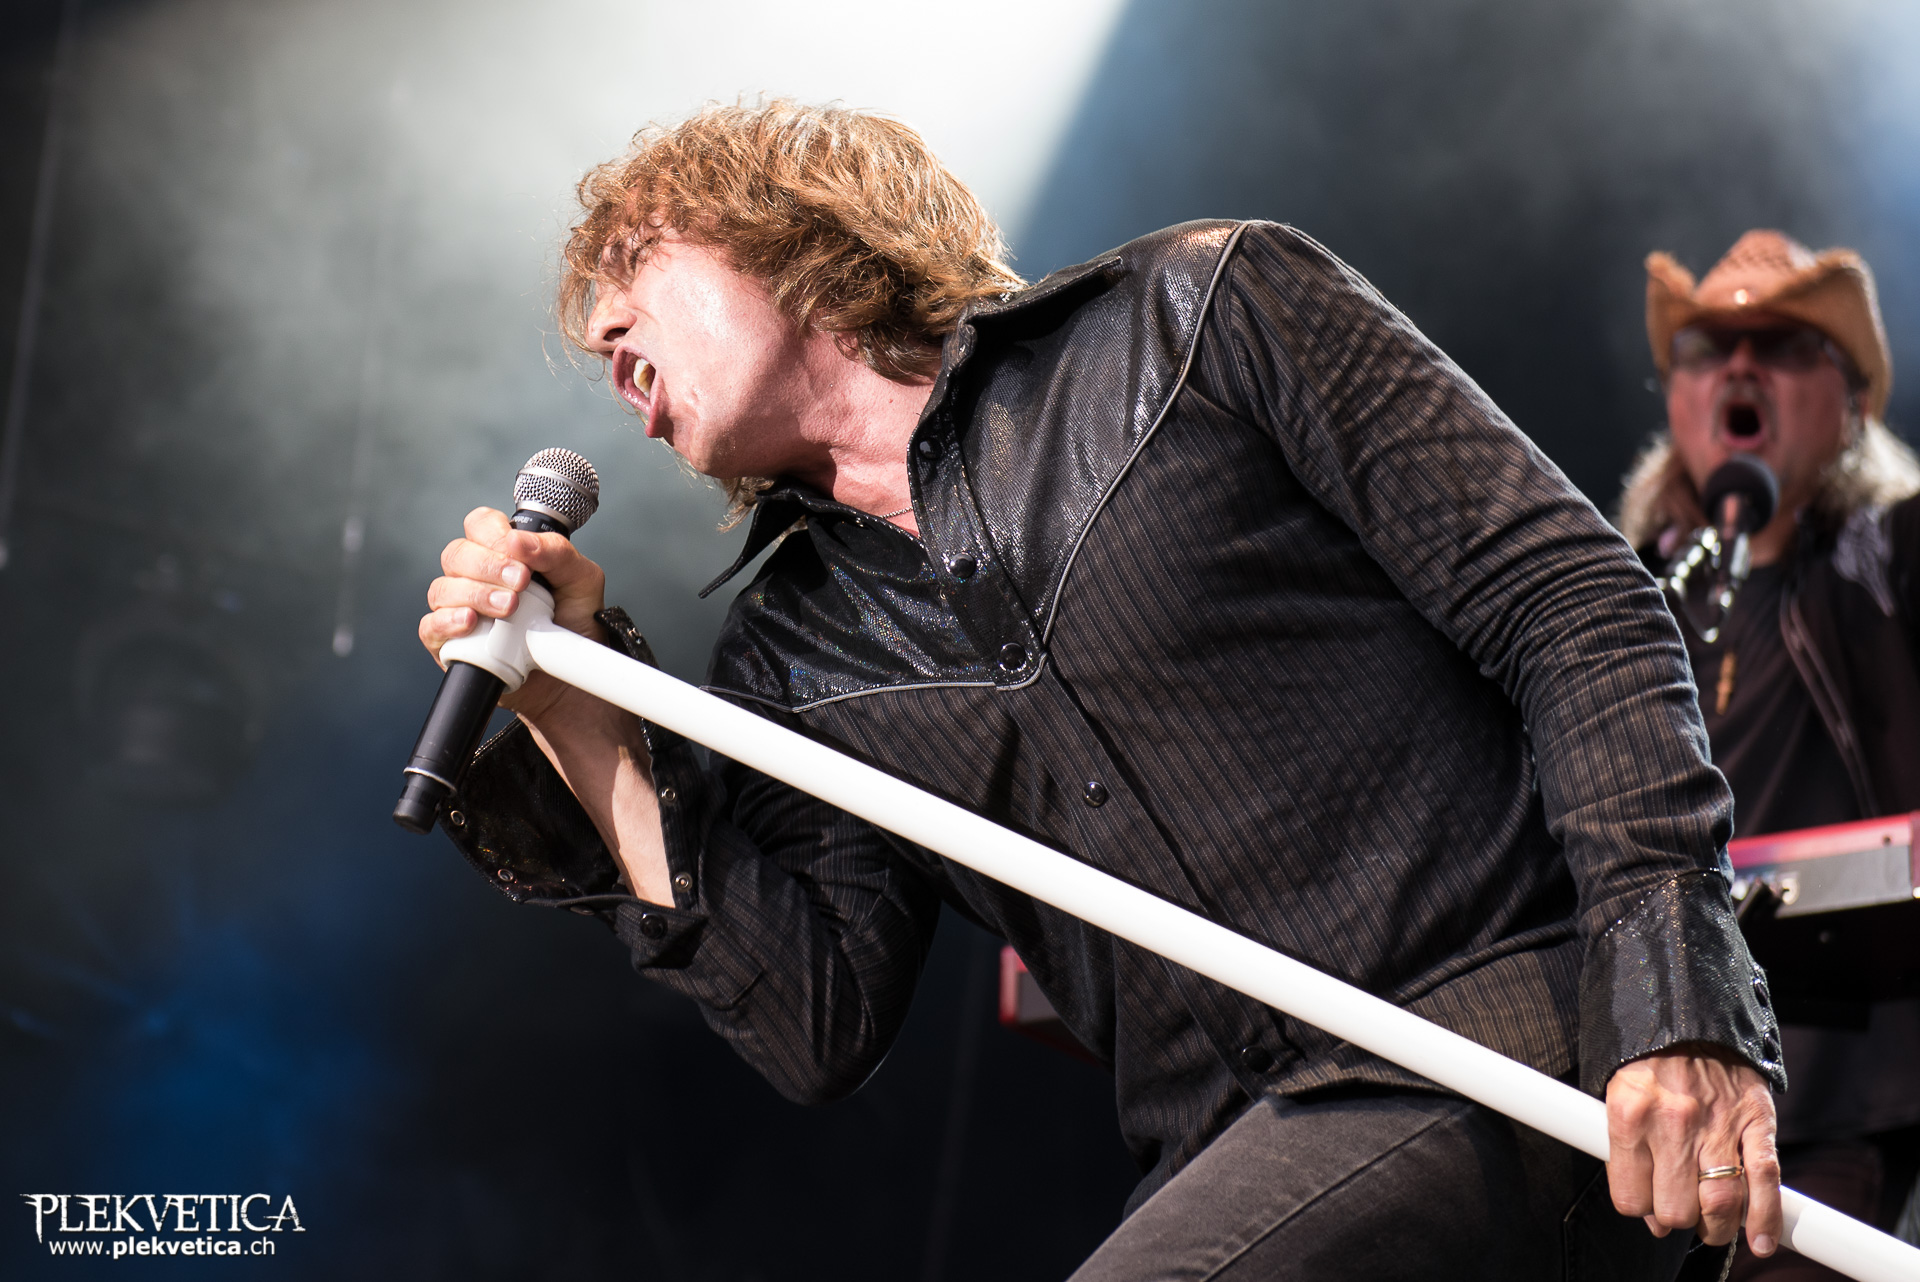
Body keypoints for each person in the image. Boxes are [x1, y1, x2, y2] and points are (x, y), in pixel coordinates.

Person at [418, 101, 1784, 1280]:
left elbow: (1572, 601)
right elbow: (813, 1022)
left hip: (1508, 1042)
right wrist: (581, 717)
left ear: (781, 224)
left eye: (631, 266)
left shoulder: (1202, 312)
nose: (602, 331)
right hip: (1245, 1156)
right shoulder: (793, 652)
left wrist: (1673, 995)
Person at [1619, 229, 1920, 1280]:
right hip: (1635, 1095)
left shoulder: (1889, 562)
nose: (1740, 365)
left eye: (1786, 345)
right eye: (1708, 347)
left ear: (1853, 404)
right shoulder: (1622, 596)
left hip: (1837, 1091)